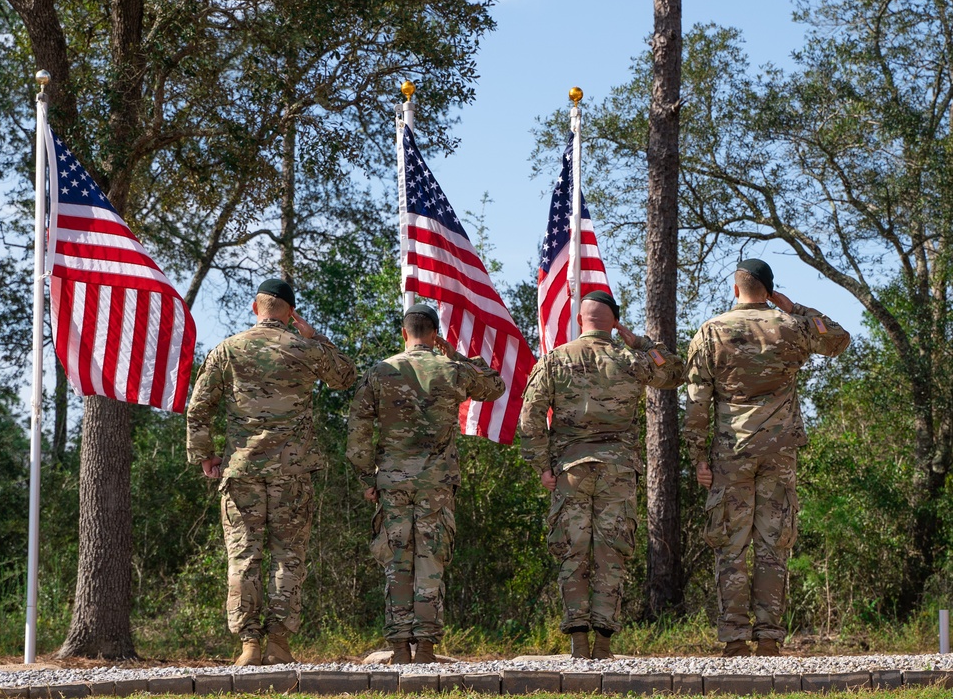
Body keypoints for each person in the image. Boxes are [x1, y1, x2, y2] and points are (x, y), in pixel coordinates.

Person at [683, 259, 850, 658]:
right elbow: (838, 340)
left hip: (730, 452)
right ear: (770, 290)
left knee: (731, 543)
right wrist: (795, 309)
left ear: (735, 288)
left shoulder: (711, 332)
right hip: (779, 452)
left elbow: (696, 403)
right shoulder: (790, 327)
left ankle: (736, 639)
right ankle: (770, 638)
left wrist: (697, 458)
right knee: (774, 544)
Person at [186, 278, 356, 666]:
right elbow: (345, 376)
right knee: (288, 557)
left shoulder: (227, 350)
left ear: (254, 307)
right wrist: (317, 337)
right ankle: (278, 642)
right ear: (290, 312)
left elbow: (199, 409)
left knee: (244, 557)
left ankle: (248, 645)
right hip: (291, 472)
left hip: (241, 470)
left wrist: (205, 456)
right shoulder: (304, 348)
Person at [518, 291, 684, 660]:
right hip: (618, 471)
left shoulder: (555, 360)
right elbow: (674, 370)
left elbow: (530, 417)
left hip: (570, 471)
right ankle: (604, 642)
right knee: (612, 552)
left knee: (572, 551)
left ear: (580, 321)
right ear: (613, 323)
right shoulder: (631, 358)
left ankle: (578, 639)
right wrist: (638, 340)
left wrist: (541, 465)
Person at [346, 304, 505, 664]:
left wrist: (365, 478)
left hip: (392, 482)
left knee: (396, 561)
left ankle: (400, 646)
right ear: (435, 335)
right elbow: (496, 385)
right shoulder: (451, 369)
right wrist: (459, 356)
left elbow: (357, 433)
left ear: (405, 334)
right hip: (436, 483)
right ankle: (427, 647)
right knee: (430, 561)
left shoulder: (380, 372)